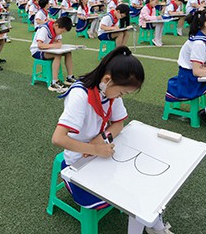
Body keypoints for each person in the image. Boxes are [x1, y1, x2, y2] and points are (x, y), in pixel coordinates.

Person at [52, 47, 173, 234]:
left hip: (98, 152)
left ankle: (155, 226)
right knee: (134, 196)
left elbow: (119, 124)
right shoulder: (80, 95)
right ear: (107, 80)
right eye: (122, 93)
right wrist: (95, 149)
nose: (120, 97)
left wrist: (100, 139)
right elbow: (58, 138)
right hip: (78, 163)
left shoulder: (107, 92)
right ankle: (155, 227)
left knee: (142, 186)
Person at [30, 16, 76, 93]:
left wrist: (57, 43)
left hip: (47, 49)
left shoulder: (56, 28)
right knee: (57, 55)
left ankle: (69, 77)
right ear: (56, 25)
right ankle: (54, 82)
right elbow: (40, 45)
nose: (61, 33)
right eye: (61, 31)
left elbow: (59, 41)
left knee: (68, 53)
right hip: (37, 51)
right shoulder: (44, 29)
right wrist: (54, 45)